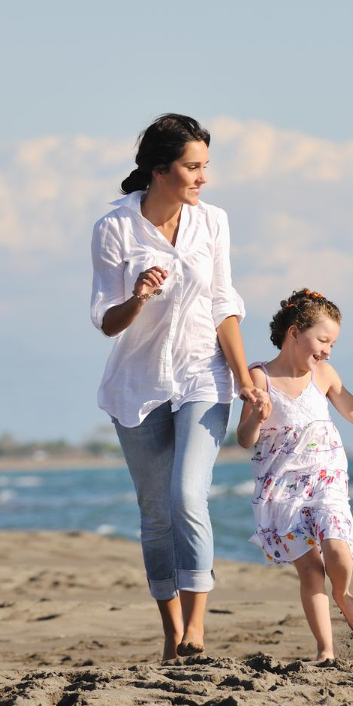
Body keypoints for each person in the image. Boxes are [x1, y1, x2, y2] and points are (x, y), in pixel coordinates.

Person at [90, 113, 266, 663]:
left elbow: (222, 303)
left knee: (188, 495)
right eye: (193, 168)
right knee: (156, 513)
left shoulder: (213, 222)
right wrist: (139, 295)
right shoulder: (114, 227)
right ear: (159, 170)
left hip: (201, 374)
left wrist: (241, 377)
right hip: (136, 385)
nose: (202, 178)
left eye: (205, 167)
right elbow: (105, 319)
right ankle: (171, 635)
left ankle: (197, 632)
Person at [236, 289, 353, 663]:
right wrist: (256, 416)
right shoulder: (259, 376)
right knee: (311, 570)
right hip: (282, 491)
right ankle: (326, 650)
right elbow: (244, 439)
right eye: (323, 340)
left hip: (326, 481)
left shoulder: (324, 374)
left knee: (337, 546)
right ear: (294, 333)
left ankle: (343, 594)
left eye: (333, 343)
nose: (328, 350)